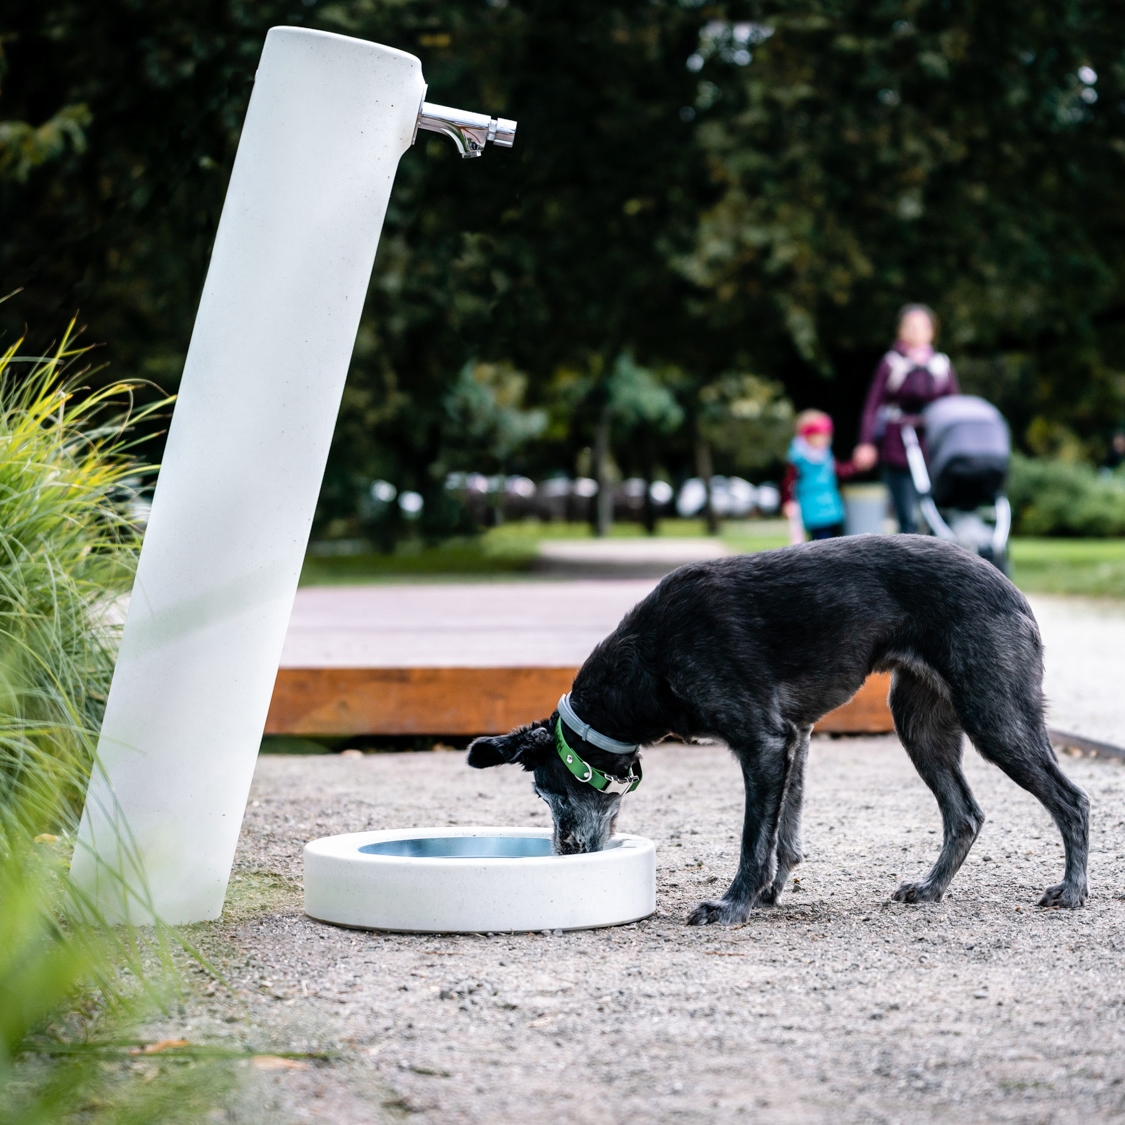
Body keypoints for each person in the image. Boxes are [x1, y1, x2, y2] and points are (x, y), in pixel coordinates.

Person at [853, 304, 958, 533]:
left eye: (922, 326)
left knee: (936, 509)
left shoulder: (941, 366)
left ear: (932, 331)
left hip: (932, 445)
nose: (916, 331)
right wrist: (866, 443)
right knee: (905, 512)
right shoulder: (891, 364)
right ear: (900, 330)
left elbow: (953, 408)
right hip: (897, 444)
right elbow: (873, 405)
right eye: (910, 326)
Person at [782, 410, 856, 542]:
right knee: (820, 542)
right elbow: (789, 483)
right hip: (812, 509)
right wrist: (788, 502)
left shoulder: (826, 455)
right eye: (820, 435)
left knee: (836, 541)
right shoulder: (799, 458)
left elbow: (840, 471)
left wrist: (855, 465)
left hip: (831, 508)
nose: (825, 440)